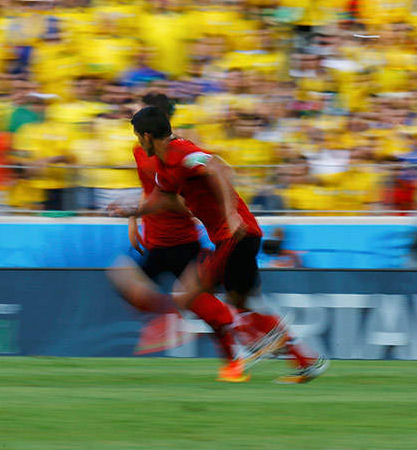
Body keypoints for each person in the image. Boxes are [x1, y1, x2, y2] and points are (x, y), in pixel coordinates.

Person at [112, 106, 328, 384]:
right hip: (239, 236)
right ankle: (305, 362)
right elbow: (164, 199)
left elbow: (219, 168)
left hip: (234, 234)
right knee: (245, 306)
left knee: (186, 294)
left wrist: (231, 213)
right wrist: (133, 212)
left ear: (147, 136)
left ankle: (258, 343)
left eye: (138, 137)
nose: (139, 144)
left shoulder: (180, 153)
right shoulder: (166, 165)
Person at [107, 93, 246, 382]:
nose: (135, 111)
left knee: (202, 304)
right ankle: (172, 315)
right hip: (155, 239)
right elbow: (148, 190)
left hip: (182, 239)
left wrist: (159, 205)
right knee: (121, 277)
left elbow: (180, 199)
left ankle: (234, 358)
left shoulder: (178, 153)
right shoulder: (142, 152)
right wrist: (134, 218)